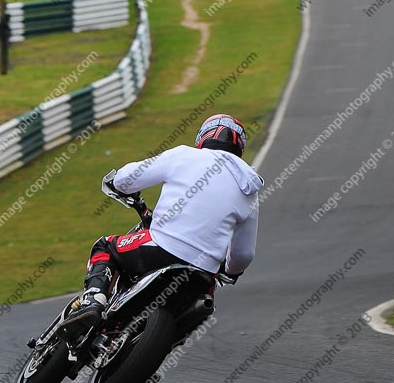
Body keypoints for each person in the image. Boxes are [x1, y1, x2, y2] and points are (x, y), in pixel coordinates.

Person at [58, 114, 264, 342]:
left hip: (160, 248)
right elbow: (244, 254)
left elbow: (128, 178)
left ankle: (93, 301)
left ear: (202, 137)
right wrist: (230, 271)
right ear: (240, 147)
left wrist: (117, 183)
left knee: (105, 247)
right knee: (197, 313)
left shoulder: (184, 155)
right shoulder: (250, 187)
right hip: (203, 275)